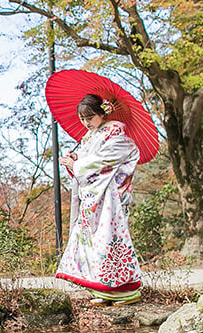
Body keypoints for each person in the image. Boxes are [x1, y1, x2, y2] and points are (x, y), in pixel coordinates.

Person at [55, 93, 143, 305]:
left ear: (103, 113)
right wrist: (76, 160)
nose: (86, 123)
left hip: (110, 199)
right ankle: (102, 291)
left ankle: (125, 291)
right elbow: (89, 162)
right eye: (82, 118)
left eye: (90, 117)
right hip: (94, 198)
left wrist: (77, 166)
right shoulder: (90, 137)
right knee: (92, 244)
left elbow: (104, 162)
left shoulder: (117, 135)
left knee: (109, 241)